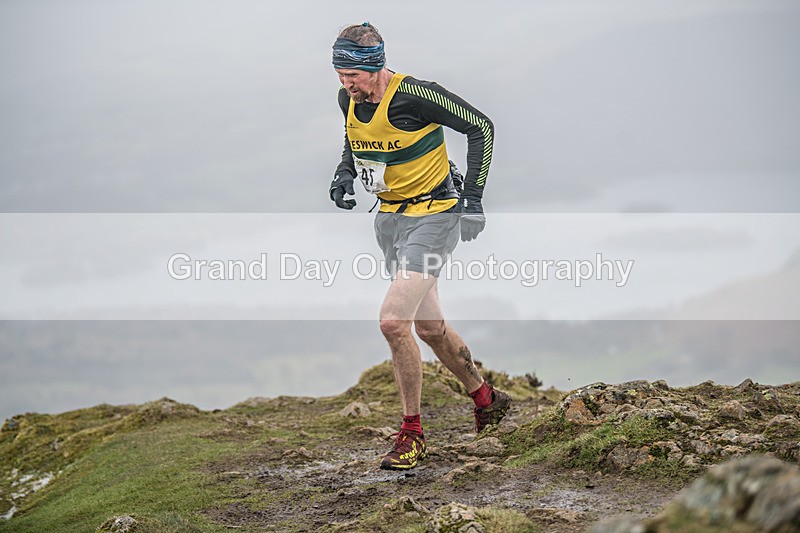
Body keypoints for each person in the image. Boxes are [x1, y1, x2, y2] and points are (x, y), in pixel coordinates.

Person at [329, 22, 511, 471]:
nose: (344, 82)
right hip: (390, 222)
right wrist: (344, 172)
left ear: (375, 66)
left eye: (352, 74)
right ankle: (487, 398)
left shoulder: (417, 95)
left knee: (393, 322)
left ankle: (412, 433)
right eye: (338, 72)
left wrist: (472, 198)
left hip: (435, 217)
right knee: (429, 328)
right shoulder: (347, 100)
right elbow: (356, 141)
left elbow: (482, 128)